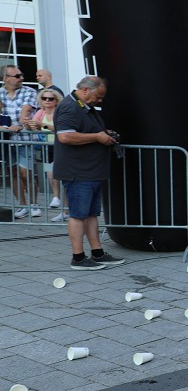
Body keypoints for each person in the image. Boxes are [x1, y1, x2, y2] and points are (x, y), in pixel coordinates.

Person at [53, 76, 125, 269]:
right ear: (85, 90)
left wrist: (103, 133)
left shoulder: (84, 107)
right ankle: (78, 258)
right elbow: (65, 136)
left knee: (92, 214)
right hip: (78, 172)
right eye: (98, 96)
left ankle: (97, 253)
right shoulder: (70, 107)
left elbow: (84, 131)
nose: (100, 100)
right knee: (78, 214)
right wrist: (97, 136)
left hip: (91, 171)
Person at [2, 64, 39, 217]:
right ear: (6, 78)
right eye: (17, 76)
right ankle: (22, 205)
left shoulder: (29, 91)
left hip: (25, 138)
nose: (21, 78)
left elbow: (27, 111)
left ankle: (34, 205)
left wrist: (18, 125)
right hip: (7, 140)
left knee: (26, 173)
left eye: (21, 75)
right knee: (13, 173)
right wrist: (6, 128)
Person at [31, 87, 64, 217]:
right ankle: (56, 197)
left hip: (60, 144)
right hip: (46, 146)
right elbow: (34, 126)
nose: (47, 101)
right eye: (44, 98)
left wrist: (43, 126)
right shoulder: (40, 112)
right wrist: (30, 125)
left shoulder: (59, 112)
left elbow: (59, 127)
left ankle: (64, 202)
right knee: (50, 173)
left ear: (56, 100)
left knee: (60, 172)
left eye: (50, 98)